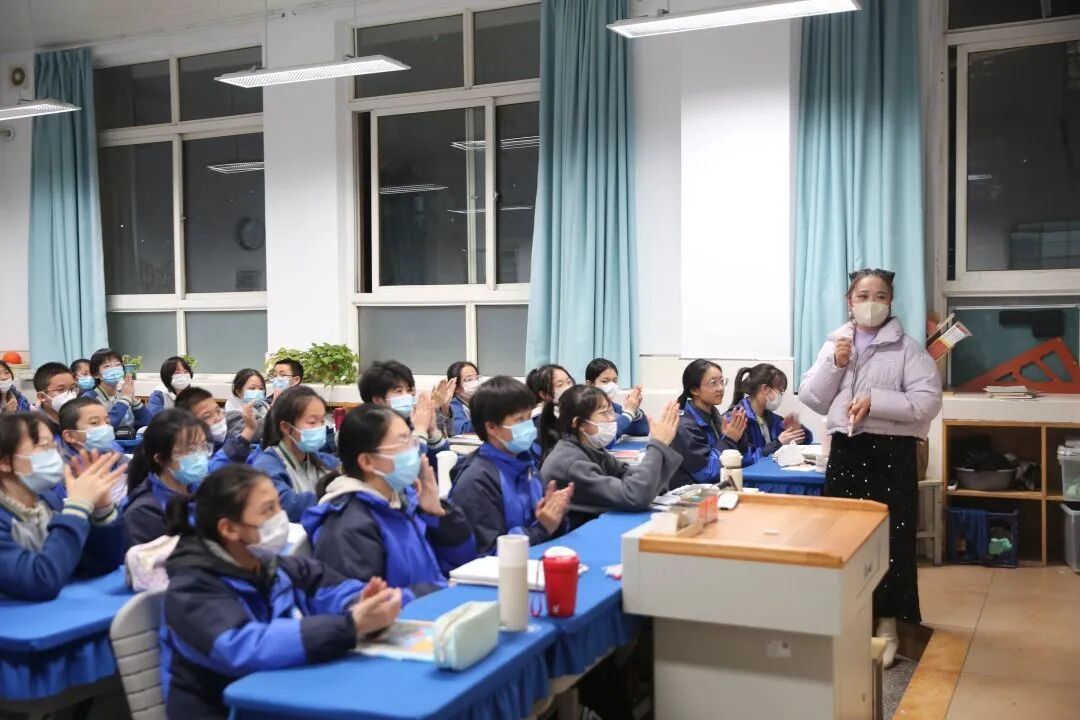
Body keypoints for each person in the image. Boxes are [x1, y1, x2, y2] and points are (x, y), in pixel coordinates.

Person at [160, 464, 401, 719]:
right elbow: (247, 647)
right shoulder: (190, 590)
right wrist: (348, 626)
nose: (280, 517)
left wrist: (361, 602)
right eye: (268, 510)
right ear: (229, 528)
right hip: (226, 710)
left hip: (283, 697)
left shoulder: (276, 567)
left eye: (278, 505)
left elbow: (329, 589)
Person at [800, 268, 942, 667]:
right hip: (846, 451)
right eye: (862, 296)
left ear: (891, 302)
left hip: (892, 455)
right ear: (850, 301)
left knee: (892, 539)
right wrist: (835, 364)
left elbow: (927, 402)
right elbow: (811, 396)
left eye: (880, 296)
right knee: (843, 538)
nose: (871, 303)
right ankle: (850, 618)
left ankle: (888, 624)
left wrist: (875, 401)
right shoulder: (835, 344)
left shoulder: (908, 349)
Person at [302, 406, 475, 605]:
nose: (414, 452)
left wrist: (437, 514)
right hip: (409, 618)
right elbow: (362, 606)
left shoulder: (403, 500)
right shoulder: (348, 524)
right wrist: (437, 592)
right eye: (402, 443)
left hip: (432, 611)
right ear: (367, 461)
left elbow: (462, 561)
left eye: (411, 440)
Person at [0, 413, 126, 600]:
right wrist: (77, 507)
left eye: (53, 445)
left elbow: (97, 564)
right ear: (5, 462)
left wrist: (102, 509)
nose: (54, 454)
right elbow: (40, 580)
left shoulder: (48, 502)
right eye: (44, 446)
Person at [450, 376, 573, 555]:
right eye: (519, 420)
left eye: (528, 417)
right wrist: (543, 528)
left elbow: (542, 524)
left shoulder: (525, 463)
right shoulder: (476, 480)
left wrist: (556, 515)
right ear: (492, 427)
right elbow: (488, 552)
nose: (529, 426)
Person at [540, 386, 682, 526]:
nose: (612, 418)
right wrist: (658, 445)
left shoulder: (593, 450)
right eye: (604, 413)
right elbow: (634, 496)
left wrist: (663, 444)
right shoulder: (572, 462)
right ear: (579, 424)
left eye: (610, 411)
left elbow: (634, 478)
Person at [124, 409, 212, 545]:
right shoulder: (145, 512)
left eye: (203, 445)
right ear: (160, 459)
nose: (200, 455)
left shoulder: (201, 490)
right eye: (190, 449)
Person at [251, 386, 337, 521]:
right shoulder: (267, 464)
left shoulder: (320, 459)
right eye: (312, 422)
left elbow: (345, 473)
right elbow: (285, 505)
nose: (320, 428)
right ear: (286, 427)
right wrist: (334, 496)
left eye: (322, 421)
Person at [669, 360, 747, 488]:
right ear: (694, 390)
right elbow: (706, 473)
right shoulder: (684, 426)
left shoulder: (715, 417)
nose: (720, 388)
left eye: (721, 381)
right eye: (713, 383)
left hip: (715, 488)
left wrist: (738, 437)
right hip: (689, 494)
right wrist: (729, 440)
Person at [358, 361, 451, 464]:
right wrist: (420, 430)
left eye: (408, 390)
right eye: (399, 391)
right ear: (377, 400)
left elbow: (442, 463)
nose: (407, 396)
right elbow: (408, 466)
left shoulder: (407, 422)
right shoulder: (365, 429)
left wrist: (432, 432)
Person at [722, 364, 814, 466]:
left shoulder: (772, 419)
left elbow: (807, 441)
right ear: (765, 389)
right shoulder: (737, 419)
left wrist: (798, 430)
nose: (780, 396)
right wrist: (778, 443)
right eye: (780, 391)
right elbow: (744, 460)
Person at [175, 387, 259, 470]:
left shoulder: (229, 440)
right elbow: (214, 472)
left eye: (218, 411)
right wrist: (248, 432)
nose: (217, 418)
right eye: (207, 416)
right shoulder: (191, 458)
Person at [81, 348, 150, 438]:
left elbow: (147, 422)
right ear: (96, 374)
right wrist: (126, 399)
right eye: (107, 366)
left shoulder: (124, 394)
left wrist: (133, 399)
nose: (114, 369)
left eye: (118, 365)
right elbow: (105, 427)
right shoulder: (88, 398)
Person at [584, 358, 649, 443]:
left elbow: (642, 431)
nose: (612, 386)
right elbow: (606, 438)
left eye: (615, 381)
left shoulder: (614, 407)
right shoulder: (584, 408)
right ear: (590, 384)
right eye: (605, 381)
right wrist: (629, 412)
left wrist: (634, 411)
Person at [31, 362, 79, 431]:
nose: (70, 395)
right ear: (42, 397)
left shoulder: (78, 419)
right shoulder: (35, 429)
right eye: (61, 390)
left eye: (72, 388)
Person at [225, 368, 269, 441]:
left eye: (261, 388)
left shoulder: (265, 406)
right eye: (252, 388)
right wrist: (274, 414)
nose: (258, 392)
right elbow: (254, 434)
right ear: (239, 392)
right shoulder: (232, 415)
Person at [445, 361, 478, 436]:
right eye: (469, 380)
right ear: (456, 387)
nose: (475, 383)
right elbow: (462, 429)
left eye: (477, 378)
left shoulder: (478, 402)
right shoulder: (452, 406)